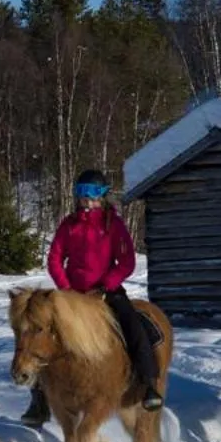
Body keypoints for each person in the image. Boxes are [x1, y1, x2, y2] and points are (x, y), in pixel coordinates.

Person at [21, 169, 163, 428]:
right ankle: (39, 397)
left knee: (132, 325)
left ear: (102, 196)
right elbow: (55, 259)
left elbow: (127, 262)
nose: (87, 198)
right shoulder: (69, 224)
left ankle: (148, 383)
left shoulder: (113, 225)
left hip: (106, 292)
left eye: (93, 193)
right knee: (41, 331)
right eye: (82, 192)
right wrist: (65, 288)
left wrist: (107, 285)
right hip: (72, 295)